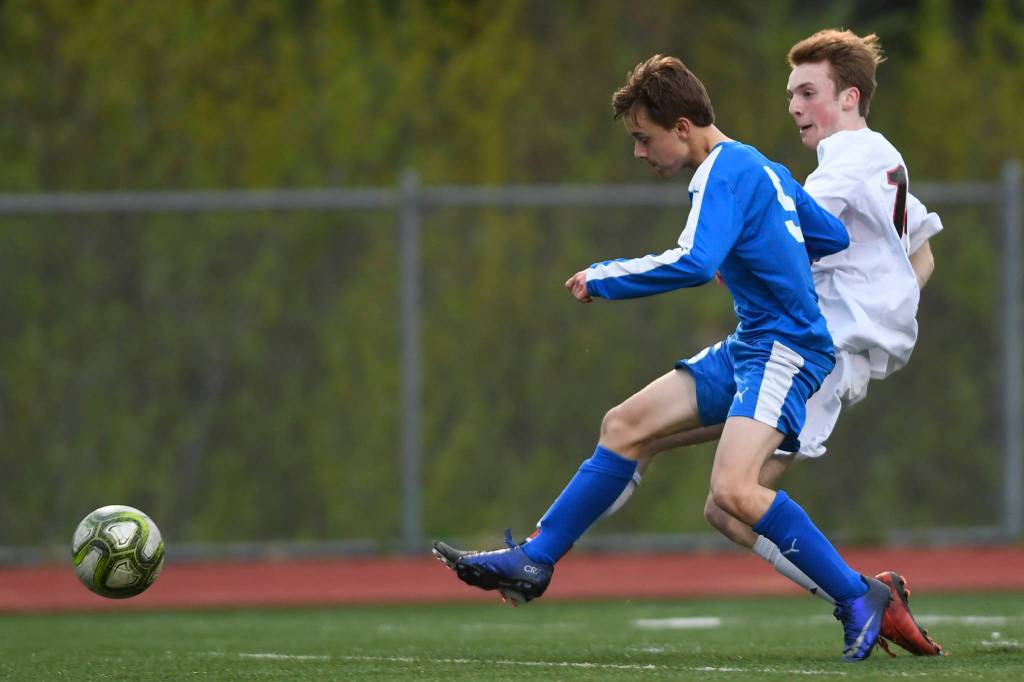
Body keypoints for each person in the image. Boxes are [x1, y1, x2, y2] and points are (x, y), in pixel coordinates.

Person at [434, 53, 894, 662]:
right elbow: (830, 236)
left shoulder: (723, 172)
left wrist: (605, 277)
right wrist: (765, 246)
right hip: (753, 344)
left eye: (644, 138)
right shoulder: (761, 166)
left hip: (785, 349)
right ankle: (534, 561)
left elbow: (695, 263)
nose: (638, 152)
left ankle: (858, 596)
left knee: (733, 491)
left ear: (682, 126)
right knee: (624, 426)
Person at [602, 29, 944, 657]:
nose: (794, 106)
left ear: (849, 98)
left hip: (814, 354)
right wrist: (888, 313)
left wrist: (863, 322)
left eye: (808, 92)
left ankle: (864, 598)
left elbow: (781, 223)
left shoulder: (846, 162)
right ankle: (865, 596)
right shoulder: (880, 159)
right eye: (790, 93)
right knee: (716, 498)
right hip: (822, 350)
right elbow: (920, 252)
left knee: (729, 496)